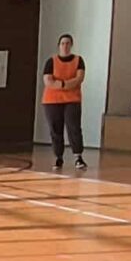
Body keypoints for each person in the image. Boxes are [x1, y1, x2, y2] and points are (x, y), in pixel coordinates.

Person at [41, 35, 88, 171]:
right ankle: (58, 157)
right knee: (55, 129)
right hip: (52, 100)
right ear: (59, 45)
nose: (65, 45)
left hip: (72, 99)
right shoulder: (51, 61)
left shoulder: (78, 60)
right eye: (62, 43)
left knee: (74, 127)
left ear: (71, 45)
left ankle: (78, 157)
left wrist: (64, 84)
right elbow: (48, 80)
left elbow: (79, 78)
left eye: (67, 43)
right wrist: (64, 84)